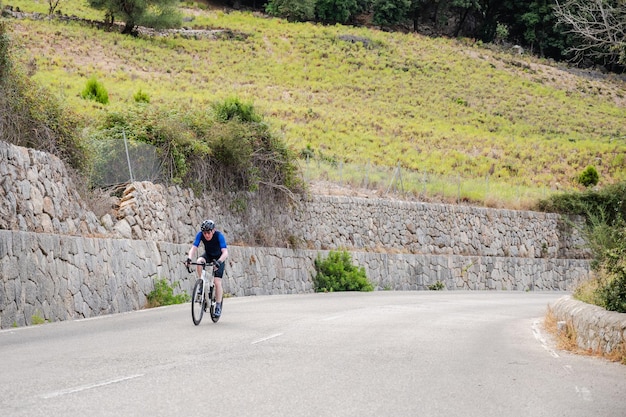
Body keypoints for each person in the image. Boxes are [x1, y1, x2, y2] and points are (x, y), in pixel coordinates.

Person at [186, 219, 228, 317]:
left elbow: (225, 252)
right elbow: (194, 248)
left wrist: (219, 262)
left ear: (213, 231)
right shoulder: (200, 235)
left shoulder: (219, 236)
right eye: (204, 233)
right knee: (199, 261)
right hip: (208, 255)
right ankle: (201, 283)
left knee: (217, 282)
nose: (206, 235)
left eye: (208, 233)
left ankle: (218, 306)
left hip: (219, 258)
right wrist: (189, 258)